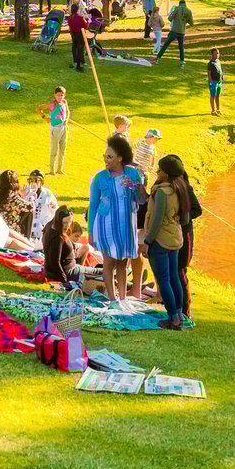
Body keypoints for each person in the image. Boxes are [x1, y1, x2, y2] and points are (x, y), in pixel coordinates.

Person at [88, 134, 145, 301]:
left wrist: (135, 186)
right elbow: (93, 206)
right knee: (109, 262)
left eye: (110, 156)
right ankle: (113, 300)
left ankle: (123, 299)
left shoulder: (133, 174)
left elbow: (142, 200)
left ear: (120, 158)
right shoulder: (99, 178)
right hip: (106, 225)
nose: (106, 159)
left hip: (127, 225)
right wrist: (91, 232)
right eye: (105, 156)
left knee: (122, 262)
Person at [139, 155, 190, 330]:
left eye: (160, 170)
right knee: (174, 277)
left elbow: (157, 220)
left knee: (164, 280)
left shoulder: (162, 192)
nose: (158, 172)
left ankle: (173, 319)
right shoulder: (181, 188)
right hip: (175, 238)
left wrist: (147, 241)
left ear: (166, 174)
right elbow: (185, 219)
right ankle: (179, 315)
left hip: (160, 240)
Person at [43, 207, 100, 287]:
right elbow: (55, 262)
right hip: (68, 271)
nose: (68, 225)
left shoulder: (50, 226)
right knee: (99, 271)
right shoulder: (57, 237)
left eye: (70, 222)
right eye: (65, 222)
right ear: (59, 221)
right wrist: (64, 281)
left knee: (97, 269)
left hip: (66, 268)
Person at [34, 86, 72, 176]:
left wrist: (67, 119)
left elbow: (68, 111)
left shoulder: (64, 102)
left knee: (63, 149)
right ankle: (52, 170)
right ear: (55, 95)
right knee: (54, 150)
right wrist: (45, 117)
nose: (60, 97)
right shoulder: (52, 104)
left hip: (64, 128)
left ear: (64, 95)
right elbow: (39, 109)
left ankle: (59, 169)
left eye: (62, 95)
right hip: (55, 129)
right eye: (58, 95)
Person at [0, 169, 34, 236]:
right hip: (10, 233)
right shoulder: (13, 198)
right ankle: (27, 238)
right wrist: (23, 196)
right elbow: (30, 207)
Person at [153, 0, 193, 68]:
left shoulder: (177, 9)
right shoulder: (189, 11)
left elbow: (170, 18)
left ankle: (157, 58)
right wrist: (185, 21)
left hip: (174, 30)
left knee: (166, 44)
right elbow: (191, 23)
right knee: (181, 47)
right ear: (185, 4)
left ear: (179, 4)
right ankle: (182, 62)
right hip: (182, 31)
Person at [65, 2, 88, 72]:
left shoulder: (69, 18)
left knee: (74, 47)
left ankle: (76, 61)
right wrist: (88, 21)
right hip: (80, 34)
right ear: (77, 10)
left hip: (73, 34)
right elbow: (86, 26)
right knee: (80, 49)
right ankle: (79, 64)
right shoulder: (80, 17)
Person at [207, 48, 223, 116]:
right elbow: (209, 74)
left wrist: (222, 77)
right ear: (212, 54)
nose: (217, 54)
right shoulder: (210, 63)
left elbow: (220, 70)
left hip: (219, 81)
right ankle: (213, 111)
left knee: (217, 96)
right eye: (216, 53)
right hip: (213, 81)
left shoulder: (218, 61)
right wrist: (211, 82)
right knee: (213, 96)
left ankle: (218, 109)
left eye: (218, 53)